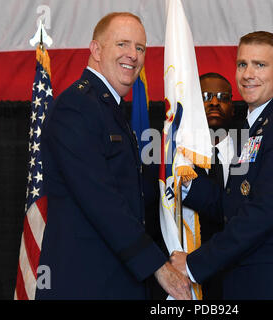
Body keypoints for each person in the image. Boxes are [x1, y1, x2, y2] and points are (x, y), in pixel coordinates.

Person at [37, 12, 191, 300]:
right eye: (122, 44)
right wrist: (157, 265)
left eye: (140, 48)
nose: (132, 55)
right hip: (85, 283)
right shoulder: (77, 107)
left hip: (114, 279)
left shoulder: (107, 107)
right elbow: (100, 199)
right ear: (96, 50)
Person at [170, 31, 273, 299]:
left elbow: (264, 212)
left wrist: (193, 264)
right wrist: (186, 184)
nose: (248, 74)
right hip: (252, 284)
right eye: (242, 64)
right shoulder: (253, 126)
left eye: (260, 65)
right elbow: (235, 201)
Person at [197, 72, 235, 299]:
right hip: (191, 279)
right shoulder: (175, 160)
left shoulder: (251, 154)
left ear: (232, 106)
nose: (214, 102)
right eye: (205, 96)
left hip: (239, 276)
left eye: (222, 97)